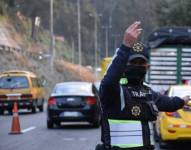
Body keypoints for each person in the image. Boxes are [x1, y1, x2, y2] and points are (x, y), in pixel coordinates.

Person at [96, 21, 191, 150]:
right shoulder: (115, 92)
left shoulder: (147, 92)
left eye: (141, 63)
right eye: (133, 62)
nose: (137, 66)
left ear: (147, 67)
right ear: (124, 66)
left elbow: (168, 103)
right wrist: (125, 46)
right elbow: (109, 80)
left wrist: (182, 100)